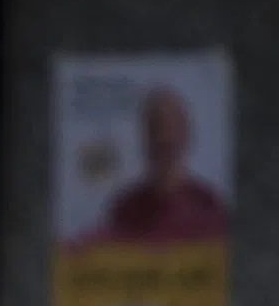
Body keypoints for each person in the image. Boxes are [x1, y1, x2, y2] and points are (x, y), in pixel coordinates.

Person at [96, 87, 229, 245]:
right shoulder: (124, 210)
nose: (164, 137)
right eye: (156, 130)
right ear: (145, 139)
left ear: (187, 136)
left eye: (172, 130)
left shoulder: (210, 208)